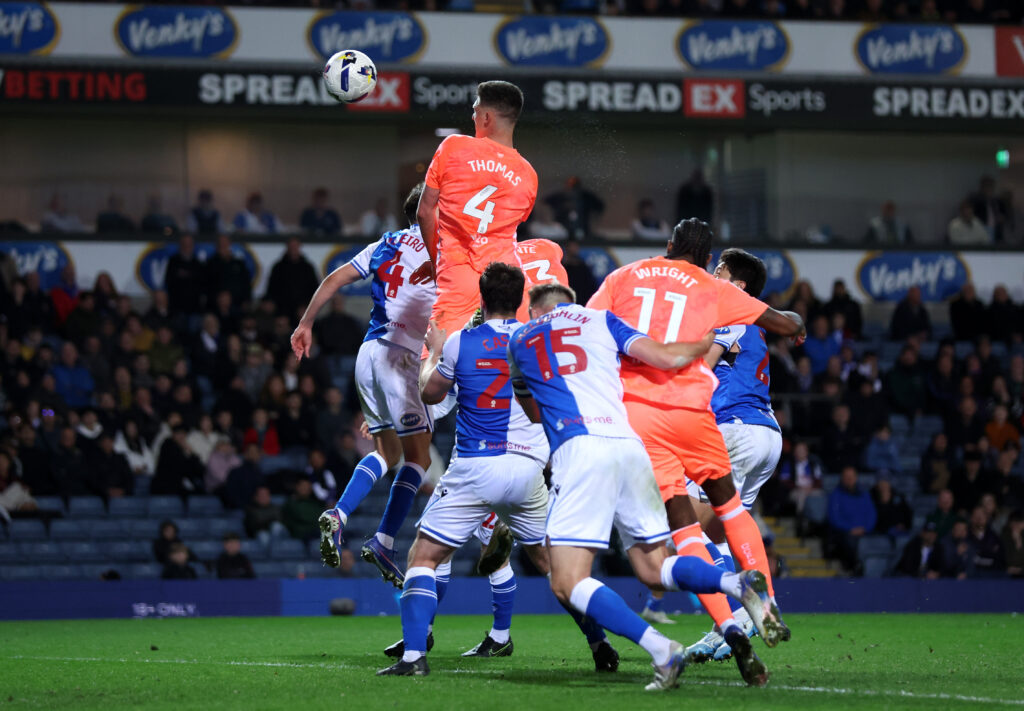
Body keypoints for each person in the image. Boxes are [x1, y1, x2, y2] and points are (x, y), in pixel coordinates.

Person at [508, 282, 776, 689]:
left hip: (580, 451)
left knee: (567, 581)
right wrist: (701, 344)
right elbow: (663, 356)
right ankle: (734, 582)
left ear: (535, 311)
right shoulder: (601, 320)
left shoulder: (521, 337)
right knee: (654, 569)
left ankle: (661, 649)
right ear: (571, 304)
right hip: (632, 448)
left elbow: (530, 412)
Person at [586, 218, 803, 668]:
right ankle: (765, 602)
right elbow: (783, 323)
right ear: (707, 260)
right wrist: (796, 324)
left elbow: (588, 326)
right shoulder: (715, 290)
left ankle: (728, 622)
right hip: (705, 414)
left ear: (668, 246)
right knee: (731, 511)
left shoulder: (624, 276)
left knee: (685, 531)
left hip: (644, 414)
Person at [379, 263, 610, 676]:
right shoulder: (538, 342)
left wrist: (433, 352)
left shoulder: (460, 342)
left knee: (424, 555)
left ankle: (414, 656)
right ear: (522, 299)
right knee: (556, 569)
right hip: (527, 473)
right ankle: (599, 642)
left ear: (481, 299)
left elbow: (430, 394)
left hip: (475, 469)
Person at [292, 184, 436, 583]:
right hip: (401, 358)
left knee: (386, 451)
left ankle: (338, 513)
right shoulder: (441, 251)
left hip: (368, 354)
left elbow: (335, 278)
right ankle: (385, 541)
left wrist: (305, 323)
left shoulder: (384, 244)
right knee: (419, 459)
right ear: (430, 211)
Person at [684, 249, 786, 662]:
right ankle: (729, 628)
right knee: (718, 532)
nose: (713, 273)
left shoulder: (729, 313)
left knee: (678, 523)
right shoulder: (757, 324)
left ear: (738, 286)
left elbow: (702, 368)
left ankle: (743, 605)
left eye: (721, 270)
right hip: (767, 435)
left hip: (734, 431)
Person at [412, 81, 538, 340]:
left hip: (459, 274)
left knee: (436, 362)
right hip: (506, 281)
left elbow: (424, 212)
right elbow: (513, 225)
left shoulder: (454, 146)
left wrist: (436, 262)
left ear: (487, 116)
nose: (473, 115)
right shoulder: (529, 174)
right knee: (507, 363)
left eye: (475, 109)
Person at [826, 466, 877, 572]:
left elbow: (872, 514)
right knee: (849, 542)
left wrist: (865, 528)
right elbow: (834, 518)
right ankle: (855, 568)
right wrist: (850, 529)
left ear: (856, 478)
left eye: (851, 476)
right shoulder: (836, 495)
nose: (849, 479)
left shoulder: (864, 494)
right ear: (842, 478)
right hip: (845, 533)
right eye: (846, 477)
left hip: (865, 531)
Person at [266, 237, 320, 322]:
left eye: (295, 246)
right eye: (291, 246)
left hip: (303, 309)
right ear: (287, 247)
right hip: (282, 309)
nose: (293, 249)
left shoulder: (308, 268)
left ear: (299, 247)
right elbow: (271, 289)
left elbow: (315, 290)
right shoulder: (278, 267)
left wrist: (307, 307)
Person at [165, 233, 206, 316]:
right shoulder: (173, 261)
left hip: (195, 307)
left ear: (193, 245)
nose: (187, 246)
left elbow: (202, 283)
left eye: (189, 244)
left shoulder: (198, 263)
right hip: (177, 307)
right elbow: (169, 280)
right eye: (184, 244)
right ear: (180, 245)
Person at [560, 240, 596, 306]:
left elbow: (591, 285)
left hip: (581, 301)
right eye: (571, 247)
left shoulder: (583, 266)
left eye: (575, 247)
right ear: (567, 248)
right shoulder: (562, 266)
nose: (574, 249)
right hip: (566, 300)